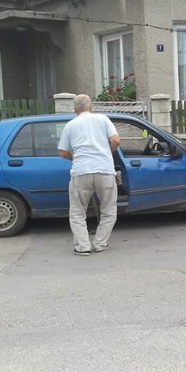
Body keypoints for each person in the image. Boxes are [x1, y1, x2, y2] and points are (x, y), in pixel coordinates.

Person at [58, 94, 121, 256]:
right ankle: (100, 243)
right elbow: (115, 141)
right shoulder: (103, 119)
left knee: (78, 212)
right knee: (109, 210)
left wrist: (76, 158)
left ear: (74, 109)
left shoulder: (70, 125)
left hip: (81, 172)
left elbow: (63, 152)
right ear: (91, 107)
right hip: (104, 170)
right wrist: (107, 153)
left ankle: (83, 247)